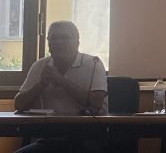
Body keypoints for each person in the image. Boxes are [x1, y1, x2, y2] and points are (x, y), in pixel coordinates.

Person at [14, 20, 108, 153]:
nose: (58, 42)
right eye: (53, 38)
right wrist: (41, 84)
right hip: (47, 137)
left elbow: (96, 103)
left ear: (77, 42)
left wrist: (61, 81)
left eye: (64, 38)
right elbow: (19, 104)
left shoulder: (93, 63)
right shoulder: (40, 65)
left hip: (85, 136)